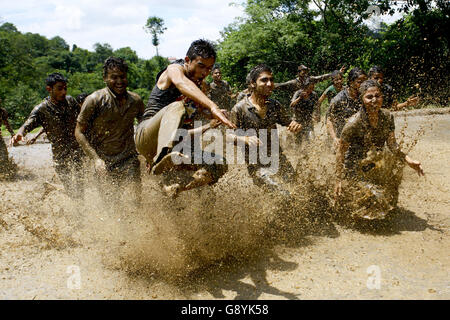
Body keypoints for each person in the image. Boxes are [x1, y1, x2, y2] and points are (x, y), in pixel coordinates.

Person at [135, 39, 235, 178]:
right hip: (147, 135)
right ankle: (162, 156)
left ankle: (177, 185)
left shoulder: (201, 86)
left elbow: (200, 111)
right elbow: (181, 83)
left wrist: (213, 115)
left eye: (209, 68)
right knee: (178, 106)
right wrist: (212, 106)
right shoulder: (174, 69)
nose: (205, 72)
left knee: (219, 163)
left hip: (178, 143)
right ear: (188, 60)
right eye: (201, 66)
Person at [335, 79, 424, 220]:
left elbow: (392, 145)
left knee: (391, 184)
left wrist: (409, 160)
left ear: (382, 97)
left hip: (374, 163)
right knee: (370, 197)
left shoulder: (387, 117)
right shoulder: (353, 123)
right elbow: (340, 151)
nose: (374, 100)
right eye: (369, 97)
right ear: (362, 99)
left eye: (378, 96)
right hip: (354, 166)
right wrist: (338, 179)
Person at [75, 57, 144, 207]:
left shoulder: (136, 101)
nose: (119, 81)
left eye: (122, 77)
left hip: (128, 158)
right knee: (112, 205)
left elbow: (145, 126)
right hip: (103, 162)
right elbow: (79, 132)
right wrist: (95, 159)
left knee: (135, 201)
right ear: (105, 78)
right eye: (114, 77)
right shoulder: (94, 100)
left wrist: (150, 155)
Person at [227, 64, 302, 195]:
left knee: (299, 190)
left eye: (271, 80)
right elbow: (228, 136)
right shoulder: (240, 108)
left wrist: (295, 125)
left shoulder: (275, 105)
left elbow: (288, 122)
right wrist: (244, 138)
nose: (269, 84)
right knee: (283, 195)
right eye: (264, 80)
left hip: (279, 160)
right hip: (257, 166)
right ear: (252, 84)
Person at [10, 73, 84, 198]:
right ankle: (75, 206)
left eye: (65, 88)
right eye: (60, 88)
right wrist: (19, 133)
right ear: (49, 89)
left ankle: (82, 209)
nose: (64, 92)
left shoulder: (71, 101)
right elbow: (27, 124)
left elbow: (83, 118)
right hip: (60, 153)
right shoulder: (41, 109)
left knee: (81, 184)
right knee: (70, 188)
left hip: (77, 149)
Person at [327, 67, 367, 150]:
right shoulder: (338, 99)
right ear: (351, 82)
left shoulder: (366, 96)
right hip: (343, 138)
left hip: (361, 137)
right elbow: (329, 119)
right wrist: (334, 138)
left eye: (365, 81)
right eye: (360, 82)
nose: (364, 85)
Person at [275, 64, 345, 97]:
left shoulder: (310, 79)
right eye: (303, 73)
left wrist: (337, 73)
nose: (305, 74)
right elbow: (281, 85)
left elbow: (322, 77)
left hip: (308, 105)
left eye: (306, 72)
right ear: (298, 73)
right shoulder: (293, 82)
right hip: (297, 106)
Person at [290, 79, 320, 145]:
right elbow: (292, 105)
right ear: (305, 88)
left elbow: (317, 105)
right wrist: (300, 98)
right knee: (298, 140)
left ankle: (309, 153)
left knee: (310, 138)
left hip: (308, 119)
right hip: (298, 119)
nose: (311, 90)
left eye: (313, 88)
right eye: (310, 88)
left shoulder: (314, 95)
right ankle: (297, 153)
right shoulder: (298, 93)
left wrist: (317, 114)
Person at [0, 98, 16, 178]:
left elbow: (6, 123)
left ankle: (6, 173)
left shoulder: (2, 112)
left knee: (4, 156)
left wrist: (13, 133)